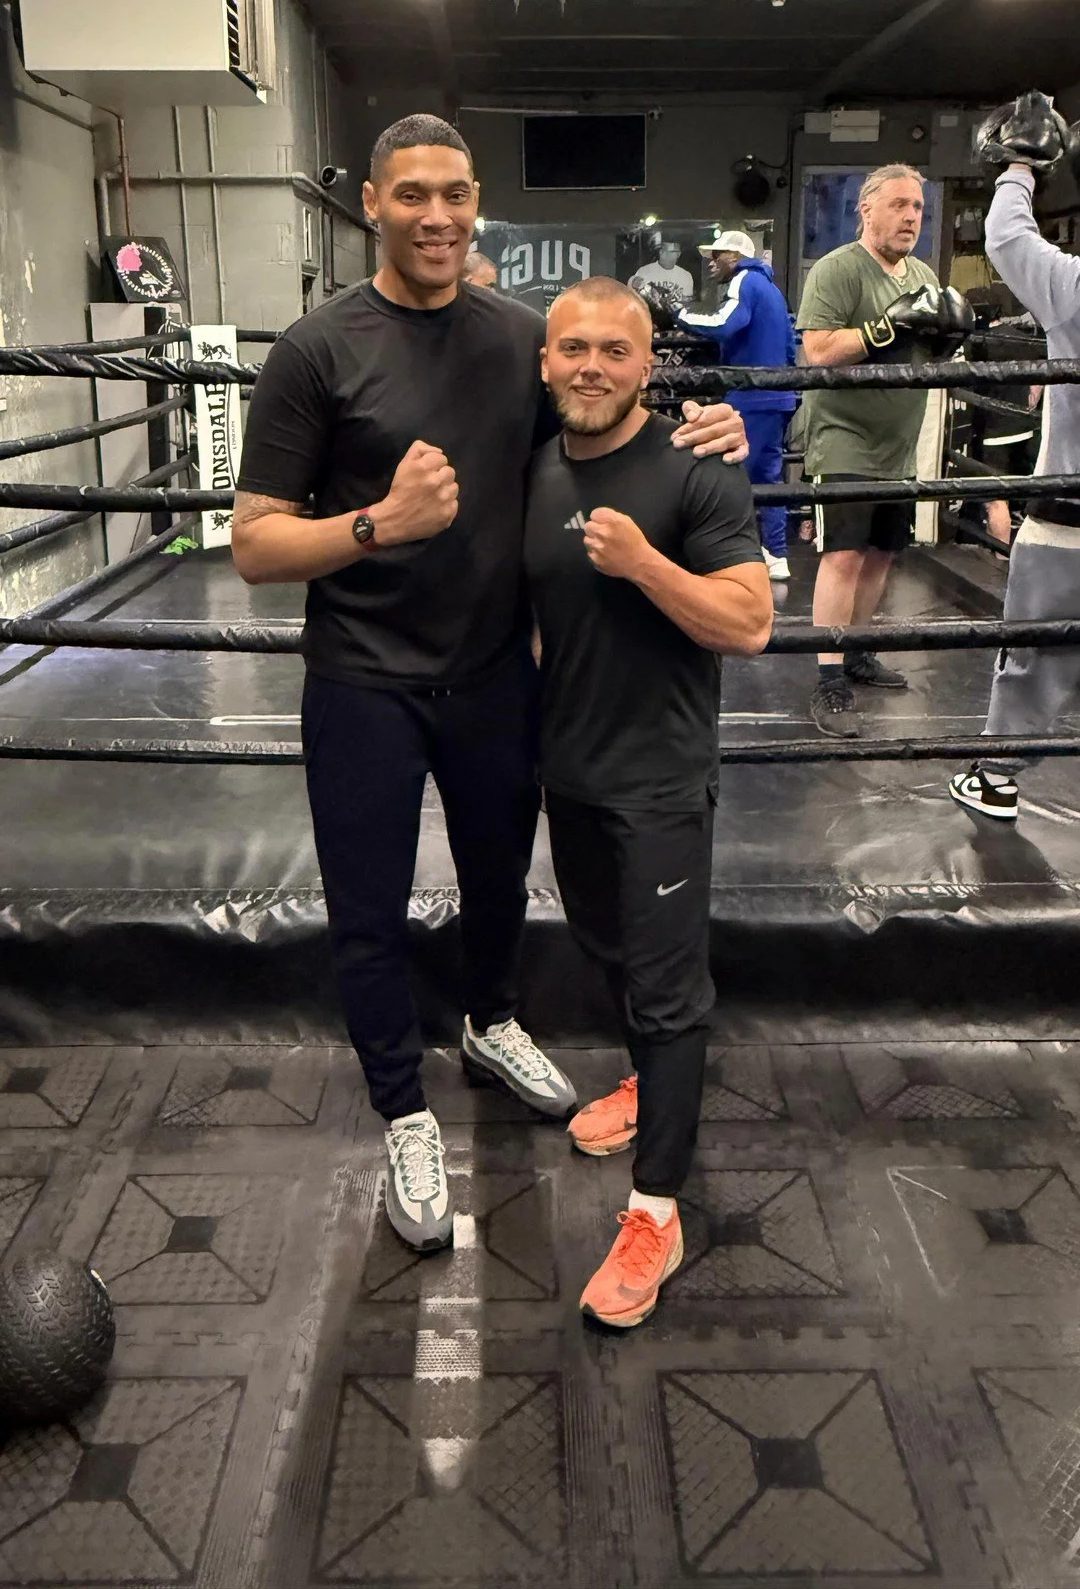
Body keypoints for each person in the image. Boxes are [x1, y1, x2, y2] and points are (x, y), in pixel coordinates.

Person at [230, 113, 750, 1255]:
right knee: (368, 909)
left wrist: (703, 430)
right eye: (412, 194)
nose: (437, 216)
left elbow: (603, 412)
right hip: (362, 680)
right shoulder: (315, 350)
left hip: (494, 675)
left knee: (501, 882)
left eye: (456, 194)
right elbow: (255, 546)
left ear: (477, 204)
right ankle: (403, 1113)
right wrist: (377, 522)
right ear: (372, 202)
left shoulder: (521, 337)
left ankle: (490, 1021)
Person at [525, 278, 772, 1328]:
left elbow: (749, 623)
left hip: (661, 779)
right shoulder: (535, 464)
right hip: (570, 772)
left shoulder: (696, 466)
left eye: (614, 352)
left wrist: (643, 565)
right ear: (547, 362)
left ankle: (657, 1212)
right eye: (573, 349)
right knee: (605, 948)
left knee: (670, 992)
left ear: (648, 365)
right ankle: (643, 1081)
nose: (592, 367)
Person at [796, 165, 972, 738]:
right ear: (866, 209)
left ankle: (856, 650)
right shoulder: (837, 269)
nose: (911, 217)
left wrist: (950, 340)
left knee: (880, 556)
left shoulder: (922, 276)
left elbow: (929, 355)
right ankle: (828, 678)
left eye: (918, 207)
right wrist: (882, 329)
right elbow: (819, 352)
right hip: (844, 436)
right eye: (899, 204)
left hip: (900, 442)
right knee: (844, 556)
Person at [948, 91, 1080, 821]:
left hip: (1068, 514)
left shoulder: (1076, 287)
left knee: (1034, 647)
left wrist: (1021, 168)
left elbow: (1004, 237)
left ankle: (997, 773)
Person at [678, 228, 797, 581]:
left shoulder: (745, 280)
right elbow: (789, 347)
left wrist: (677, 314)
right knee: (768, 477)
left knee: (730, 475)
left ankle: (728, 557)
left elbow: (725, 323)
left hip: (753, 395)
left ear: (735, 257)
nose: (711, 263)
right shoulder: (771, 289)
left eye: (717, 256)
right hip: (776, 395)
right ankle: (776, 553)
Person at [630, 239, 694, 308]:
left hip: (675, 314)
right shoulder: (644, 272)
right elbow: (633, 299)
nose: (674, 255)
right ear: (661, 252)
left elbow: (688, 304)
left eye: (676, 252)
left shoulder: (686, 276)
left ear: (679, 254)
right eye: (671, 252)